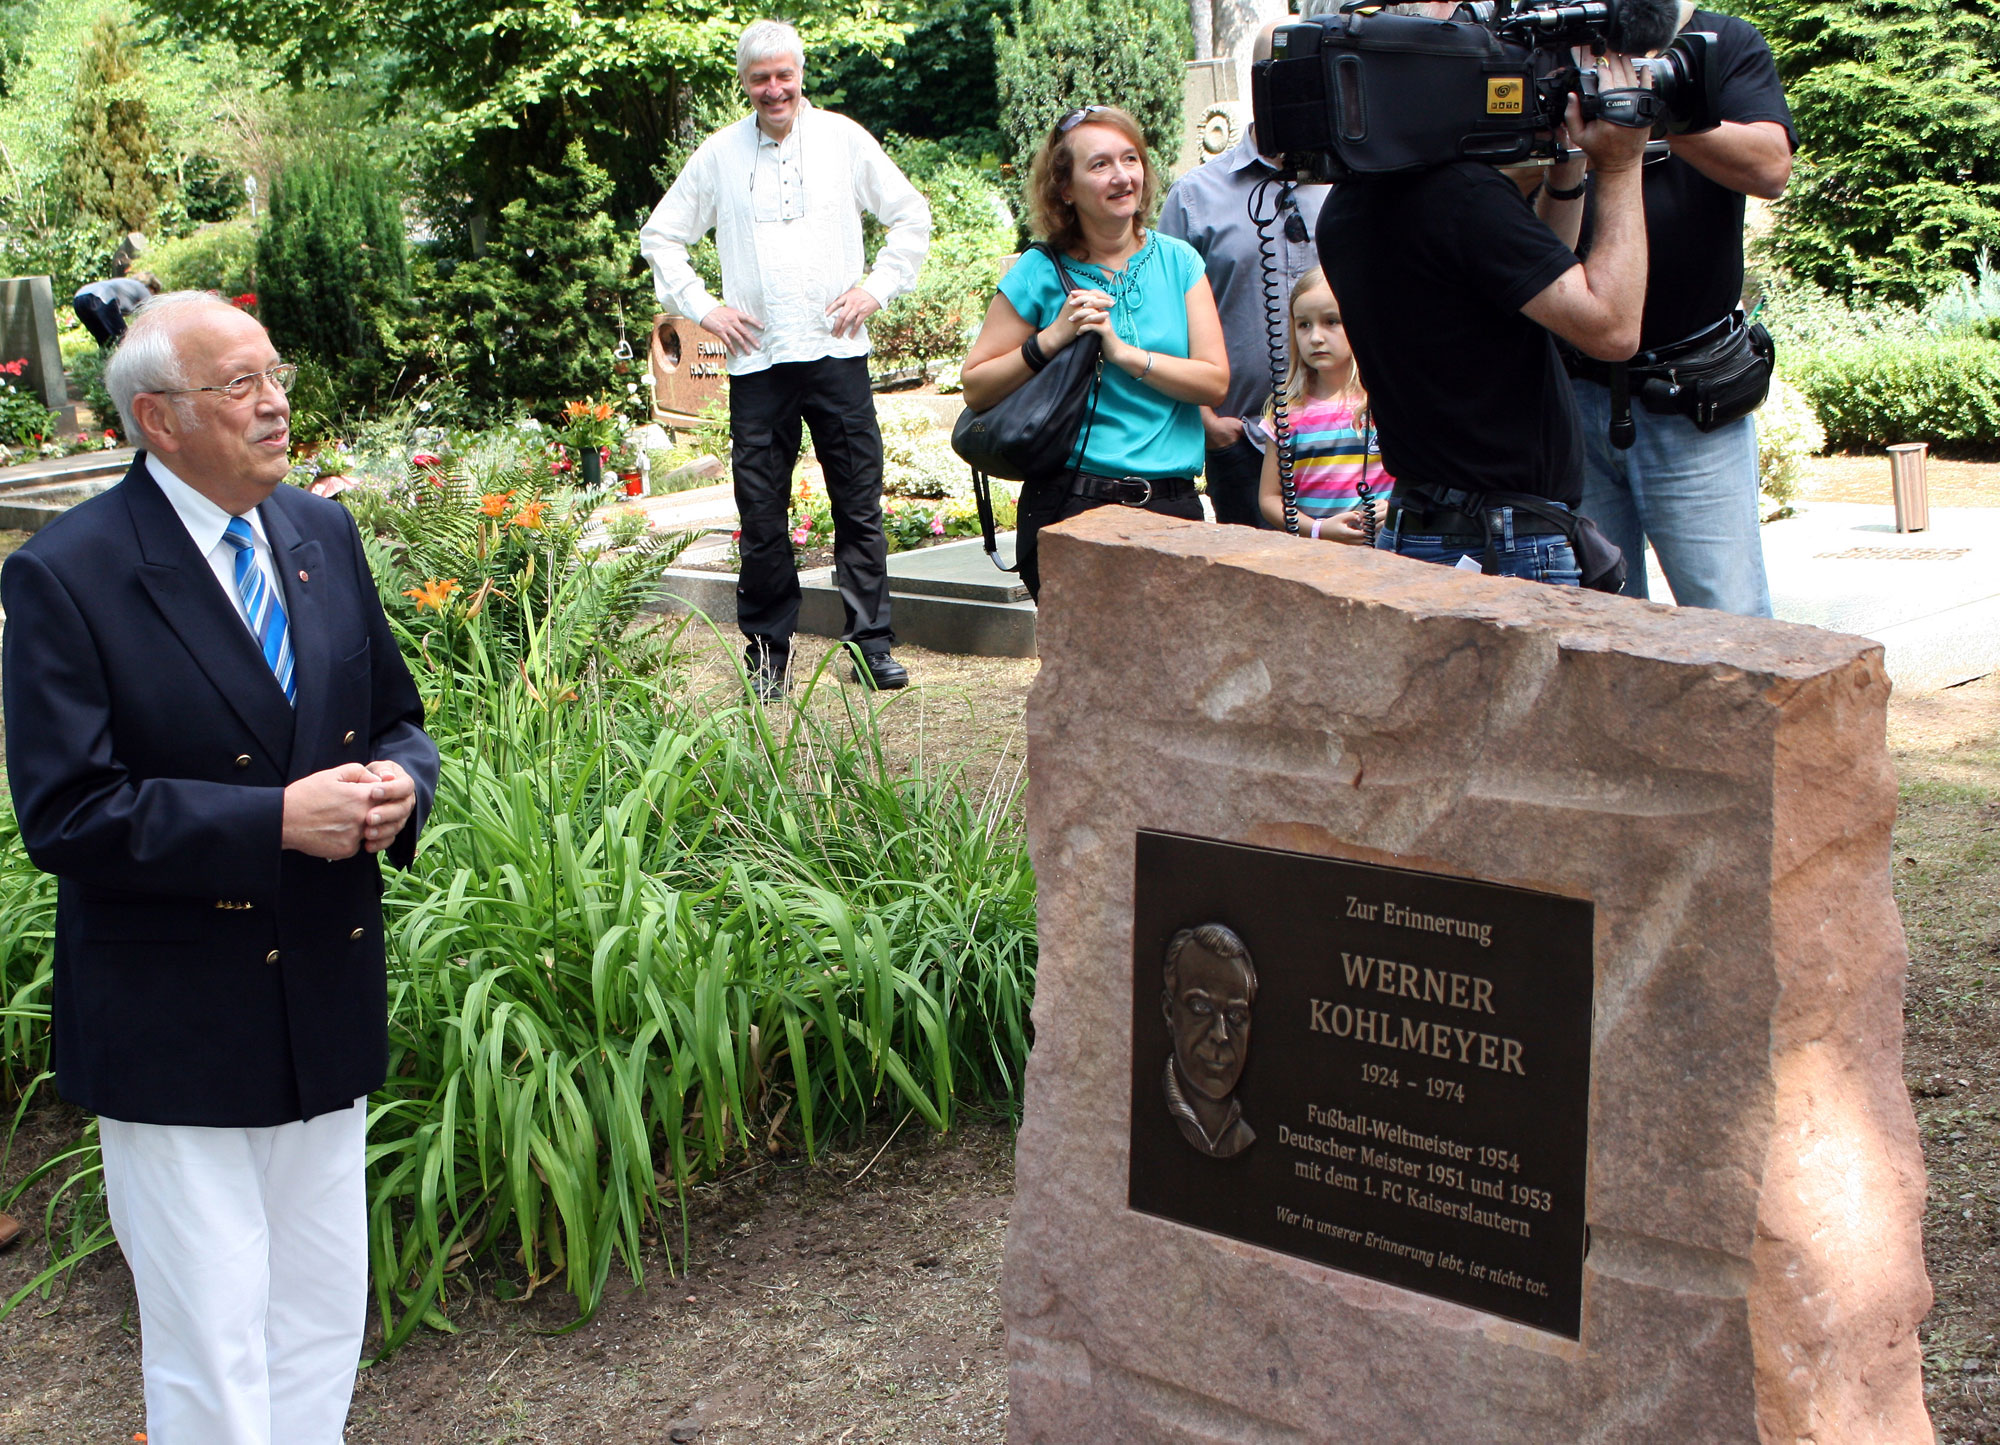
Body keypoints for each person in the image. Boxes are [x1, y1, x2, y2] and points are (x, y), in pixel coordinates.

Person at [0, 291, 438, 1443]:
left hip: (322, 993)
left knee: (317, 1310)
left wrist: (404, 786)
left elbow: (394, 718)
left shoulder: (318, 532)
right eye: (237, 385)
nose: (275, 402)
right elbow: (68, 813)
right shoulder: (67, 574)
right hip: (174, 1021)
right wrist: (273, 821)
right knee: (210, 1337)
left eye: (274, 373)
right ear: (158, 417)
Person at [639, 19, 932, 699]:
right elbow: (662, 235)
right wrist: (705, 309)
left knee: (858, 504)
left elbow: (910, 216)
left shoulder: (843, 141)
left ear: (801, 74)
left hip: (837, 354)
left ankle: (872, 645)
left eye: (783, 74)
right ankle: (768, 655)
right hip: (757, 364)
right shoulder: (718, 155)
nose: (774, 88)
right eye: (760, 77)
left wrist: (875, 288)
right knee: (763, 517)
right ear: (744, 83)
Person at [1319, 53, 1654, 586]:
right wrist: (1621, 163)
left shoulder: (1349, 202)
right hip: (1502, 543)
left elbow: (1535, 282)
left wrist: (1565, 173)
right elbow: (1611, 329)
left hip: (1427, 524)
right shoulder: (1463, 197)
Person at [1549, 7, 1795, 615]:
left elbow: (1771, 168)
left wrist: (1644, 112)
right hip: (1572, 389)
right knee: (1600, 626)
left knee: (1732, 626)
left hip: (1692, 393)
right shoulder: (1555, 39)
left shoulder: (1720, 41)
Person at [961, 105, 1229, 598]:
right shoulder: (1037, 271)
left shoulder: (1180, 261)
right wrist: (1053, 337)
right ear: (1065, 187)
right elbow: (976, 387)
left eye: (1131, 159)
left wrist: (1127, 356)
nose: (1122, 175)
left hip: (1174, 506)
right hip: (1073, 503)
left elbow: (1214, 380)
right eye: (1100, 164)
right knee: (1081, 675)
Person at [1157, 23, 1329, 527]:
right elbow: (1163, 319)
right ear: (1256, 82)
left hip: (1342, 443)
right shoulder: (1194, 198)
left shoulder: (1354, 186)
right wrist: (1207, 423)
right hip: (1242, 443)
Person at [1256, 267, 1387, 541]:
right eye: (1304, 324)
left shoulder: (1386, 402)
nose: (1316, 337)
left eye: (1331, 321)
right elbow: (1270, 498)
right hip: (1318, 557)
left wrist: (1396, 508)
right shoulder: (1286, 411)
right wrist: (1319, 530)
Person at [1161, 923, 1257, 1160]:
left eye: (1236, 1015)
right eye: (1201, 1008)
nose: (1221, 1034)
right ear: (1169, 1011)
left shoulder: (1246, 1136)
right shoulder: (1143, 1110)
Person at [72, 271, 162, 346]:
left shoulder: (127, 287)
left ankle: (103, 364)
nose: (154, 295)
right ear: (152, 288)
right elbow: (153, 315)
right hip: (101, 296)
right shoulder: (143, 289)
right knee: (124, 340)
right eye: (155, 292)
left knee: (105, 342)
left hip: (79, 299)